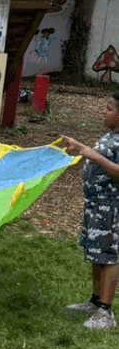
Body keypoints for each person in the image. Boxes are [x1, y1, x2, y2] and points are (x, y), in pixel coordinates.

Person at [62, 91, 119, 331]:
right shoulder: (112, 136)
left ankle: (105, 312)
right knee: (97, 252)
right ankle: (95, 302)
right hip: (97, 206)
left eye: (108, 108)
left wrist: (94, 156)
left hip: (112, 208)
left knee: (109, 254)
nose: (103, 112)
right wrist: (81, 147)